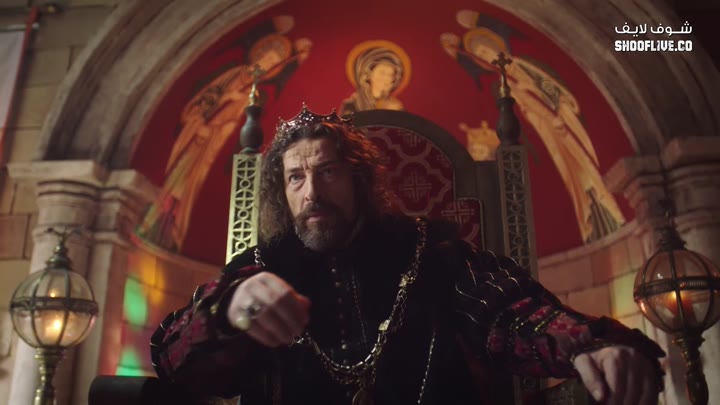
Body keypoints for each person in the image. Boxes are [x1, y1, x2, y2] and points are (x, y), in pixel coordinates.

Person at [150, 105, 665, 404]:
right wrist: (227, 310)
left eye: (327, 172)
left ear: (358, 180)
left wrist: (586, 346)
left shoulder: (430, 254)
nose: (313, 192)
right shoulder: (257, 270)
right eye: (296, 177)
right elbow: (175, 361)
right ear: (281, 192)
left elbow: (513, 316)